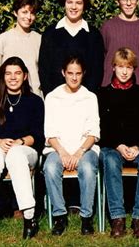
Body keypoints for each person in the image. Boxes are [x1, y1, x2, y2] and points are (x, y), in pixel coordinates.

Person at [0, 57, 44, 239]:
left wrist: (20, 141)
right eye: (8, 73)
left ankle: (29, 216)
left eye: (17, 73)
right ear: (3, 77)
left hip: (26, 150)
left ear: (25, 76)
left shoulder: (34, 101)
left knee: (16, 155)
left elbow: (38, 135)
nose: (13, 77)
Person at [98, 47, 139, 239]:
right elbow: (103, 128)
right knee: (111, 161)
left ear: (134, 69)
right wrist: (120, 146)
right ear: (113, 67)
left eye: (129, 67)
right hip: (113, 146)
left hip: (138, 146)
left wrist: (137, 146)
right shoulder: (103, 94)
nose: (124, 71)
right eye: (120, 66)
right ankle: (118, 218)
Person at [43, 55, 100, 236]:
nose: (74, 78)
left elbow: (93, 133)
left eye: (78, 73)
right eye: (70, 73)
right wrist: (63, 153)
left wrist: (79, 152)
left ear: (83, 74)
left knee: (89, 168)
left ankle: (86, 217)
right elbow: (49, 132)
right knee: (50, 167)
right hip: (58, 148)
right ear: (63, 73)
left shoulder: (90, 97)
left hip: (85, 149)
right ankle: (60, 216)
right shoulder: (52, 97)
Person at [39, 0, 104, 95]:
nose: (74, 7)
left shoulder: (94, 35)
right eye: (70, 2)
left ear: (84, 5)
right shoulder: (50, 33)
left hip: (84, 100)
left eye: (78, 3)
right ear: (64, 3)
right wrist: (52, 97)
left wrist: (87, 97)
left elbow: (97, 72)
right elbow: (44, 70)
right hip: (56, 100)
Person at [100, 0, 139, 89]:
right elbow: (101, 57)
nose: (128, 3)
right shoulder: (108, 27)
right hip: (110, 88)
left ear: (138, 1)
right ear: (118, 1)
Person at [0, 0, 43, 97]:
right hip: (8, 98)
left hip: (34, 98)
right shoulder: (2, 40)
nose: (28, 17)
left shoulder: (40, 40)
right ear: (15, 13)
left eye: (32, 13)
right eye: (24, 12)